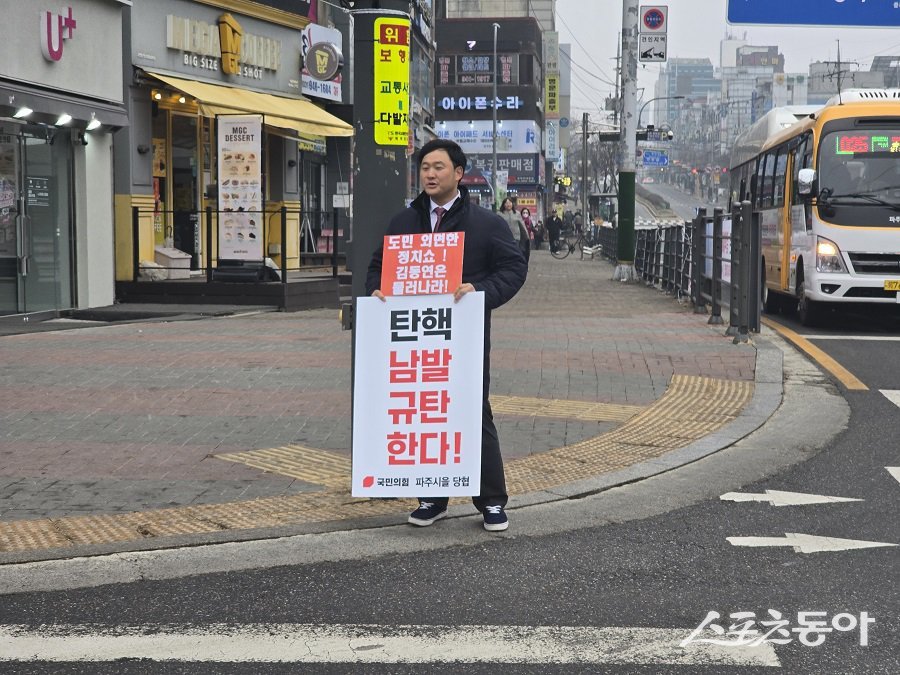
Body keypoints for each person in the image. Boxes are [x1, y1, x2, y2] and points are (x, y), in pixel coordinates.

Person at [366, 138, 527, 532]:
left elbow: (513, 269)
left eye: (439, 167)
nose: (430, 174)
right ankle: (432, 497)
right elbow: (377, 266)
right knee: (424, 412)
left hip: (462, 339)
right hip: (415, 341)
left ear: (458, 173)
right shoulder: (403, 222)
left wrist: (480, 293)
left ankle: (490, 500)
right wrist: (376, 290)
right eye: (424, 168)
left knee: (472, 409)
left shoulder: (486, 224)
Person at [498, 197, 530, 263]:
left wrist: (527, 236)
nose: (508, 204)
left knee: (515, 252)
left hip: (516, 237)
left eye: (510, 202)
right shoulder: (499, 214)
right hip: (504, 237)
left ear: (512, 204)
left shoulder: (517, 213)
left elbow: (522, 225)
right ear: (504, 204)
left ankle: (515, 264)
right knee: (506, 252)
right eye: (506, 203)